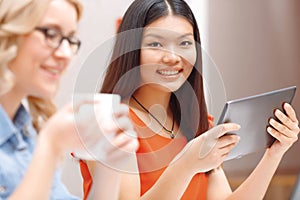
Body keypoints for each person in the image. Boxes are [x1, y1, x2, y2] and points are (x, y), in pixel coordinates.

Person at [80, 0, 300, 199]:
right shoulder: (106, 120)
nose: (173, 57)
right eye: (156, 44)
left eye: (184, 43)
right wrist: (186, 164)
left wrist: (274, 153)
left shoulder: (198, 124)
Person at [0, 0, 138, 199]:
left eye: (70, 40)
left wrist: (109, 165)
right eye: (51, 34)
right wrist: (50, 145)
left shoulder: (26, 136)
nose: (65, 54)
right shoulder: (43, 141)